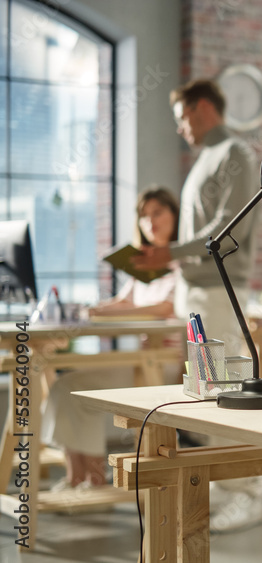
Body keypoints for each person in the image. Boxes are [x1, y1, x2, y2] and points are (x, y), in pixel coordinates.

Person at [132, 78, 262, 534]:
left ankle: (249, 495)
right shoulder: (204, 159)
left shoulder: (235, 155)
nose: (181, 128)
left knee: (230, 388)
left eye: (183, 118)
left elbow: (228, 228)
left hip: (220, 292)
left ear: (203, 108)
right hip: (197, 292)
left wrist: (168, 253)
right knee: (208, 394)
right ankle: (226, 487)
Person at [42, 187, 181, 490]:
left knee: (74, 390)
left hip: (164, 364)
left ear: (174, 214)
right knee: (65, 387)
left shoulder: (182, 263)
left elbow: (166, 308)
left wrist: (114, 314)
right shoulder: (142, 265)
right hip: (141, 361)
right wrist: (86, 309)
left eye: (157, 212)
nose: (150, 221)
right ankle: (76, 477)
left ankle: (93, 479)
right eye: (144, 216)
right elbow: (122, 302)